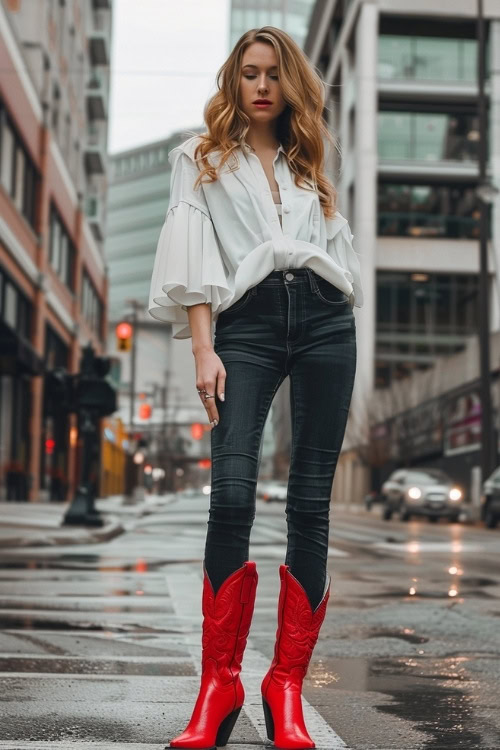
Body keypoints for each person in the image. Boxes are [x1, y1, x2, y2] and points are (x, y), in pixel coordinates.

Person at [148, 26, 363, 750]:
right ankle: (220, 685)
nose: (262, 85)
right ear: (233, 81)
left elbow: (337, 252)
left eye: (274, 73)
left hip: (328, 317)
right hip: (246, 321)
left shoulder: (309, 165)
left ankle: (287, 688)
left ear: (289, 81)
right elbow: (193, 252)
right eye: (249, 73)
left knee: (309, 500)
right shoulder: (199, 158)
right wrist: (203, 347)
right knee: (234, 487)